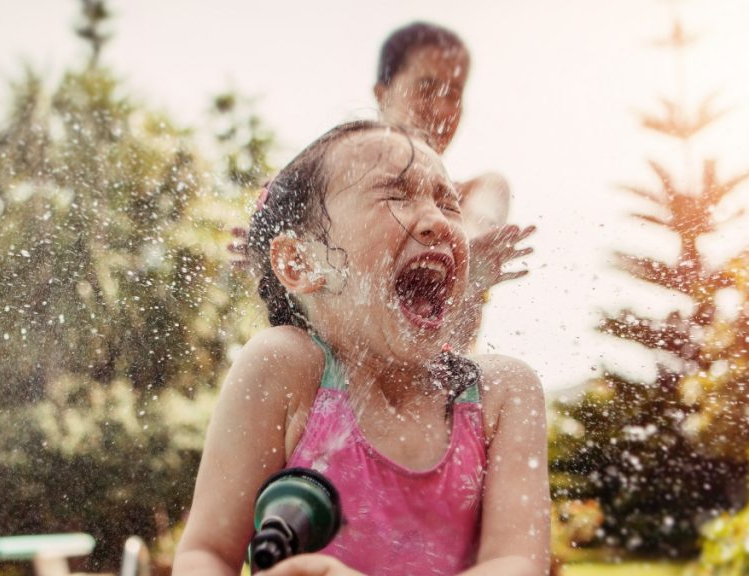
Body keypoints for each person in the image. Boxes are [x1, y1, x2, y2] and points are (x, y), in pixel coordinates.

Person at [174, 120, 549, 576]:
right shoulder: (285, 370)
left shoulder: (501, 395)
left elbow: (515, 564)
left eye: (448, 202)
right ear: (300, 262)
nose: (436, 220)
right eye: (395, 194)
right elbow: (206, 554)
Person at [230, 22, 534, 352]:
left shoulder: (480, 189)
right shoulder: (327, 188)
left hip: (448, 394)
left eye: (455, 94)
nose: (443, 108)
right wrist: (273, 259)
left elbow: (477, 226)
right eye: (427, 86)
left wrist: (468, 261)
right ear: (382, 92)